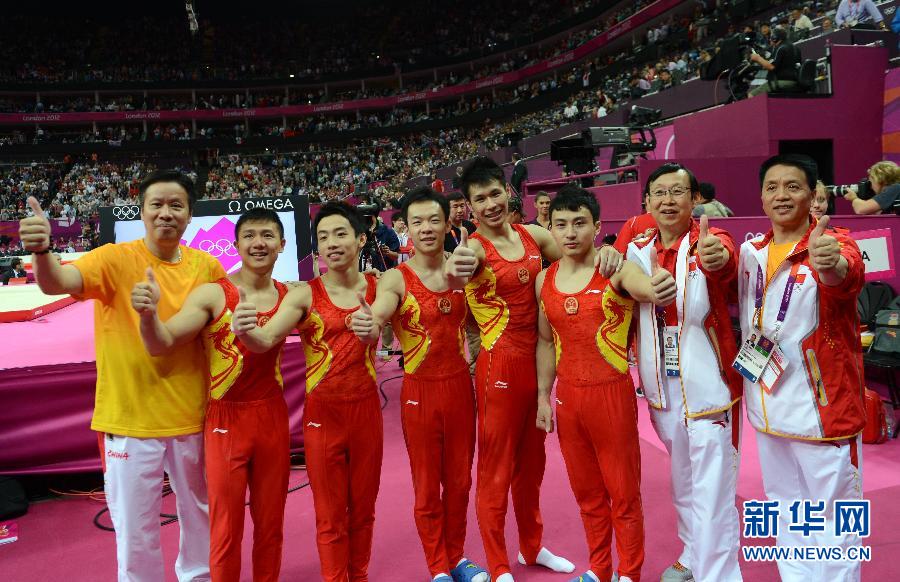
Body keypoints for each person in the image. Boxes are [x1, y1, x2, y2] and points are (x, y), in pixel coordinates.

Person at [18, 170, 223, 581]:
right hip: (129, 419)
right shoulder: (113, 258)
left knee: (201, 514)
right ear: (142, 211)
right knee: (135, 528)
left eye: (176, 205)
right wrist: (42, 251)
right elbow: (57, 282)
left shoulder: (207, 267)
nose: (166, 213)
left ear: (189, 215)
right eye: (156, 204)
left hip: (192, 416)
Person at [457, 156, 622, 582]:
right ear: (469, 207)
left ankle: (531, 546)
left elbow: (577, 253)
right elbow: (456, 270)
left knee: (532, 466)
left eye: (495, 193)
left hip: (539, 362)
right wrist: (456, 269)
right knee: (497, 468)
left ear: (508, 192)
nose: (490, 204)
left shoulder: (534, 235)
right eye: (480, 199)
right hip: (499, 368)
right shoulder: (473, 250)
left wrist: (608, 251)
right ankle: (498, 564)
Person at [131, 208, 290, 582]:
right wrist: (149, 317)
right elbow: (163, 342)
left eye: (267, 235)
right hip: (226, 422)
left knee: (271, 522)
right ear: (236, 245)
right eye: (249, 235)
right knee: (225, 525)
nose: (258, 243)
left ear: (282, 245)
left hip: (272, 418)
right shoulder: (213, 295)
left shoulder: (292, 296)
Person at [535, 185, 677, 582]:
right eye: (561, 224)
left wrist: (658, 286)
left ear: (597, 227)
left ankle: (628, 572)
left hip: (610, 396)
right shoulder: (543, 279)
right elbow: (545, 340)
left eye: (580, 223)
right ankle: (599, 568)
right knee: (587, 494)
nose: (570, 233)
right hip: (568, 400)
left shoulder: (615, 269)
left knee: (623, 493)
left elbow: (646, 287)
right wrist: (543, 396)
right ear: (550, 228)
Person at [236, 202, 382, 582]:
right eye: (323, 237)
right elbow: (265, 340)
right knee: (330, 515)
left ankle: (359, 577)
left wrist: (375, 331)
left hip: (366, 413)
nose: (331, 243)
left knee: (363, 510)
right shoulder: (303, 296)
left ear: (360, 239)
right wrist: (245, 330)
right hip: (323, 418)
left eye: (340, 234)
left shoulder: (379, 286)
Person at [350, 187, 488, 582]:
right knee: (427, 485)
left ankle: (457, 557)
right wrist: (370, 325)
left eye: (433, 220)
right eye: (417, 222)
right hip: (420, 394)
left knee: (460, 482)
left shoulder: (464, 266)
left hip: (460, 388)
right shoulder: (397, 278)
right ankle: (437, 566)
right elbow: (379, 314)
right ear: (406, 229)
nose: (426, 228)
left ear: (447, 224)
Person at [739, 154, 866, 581]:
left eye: (793, 186)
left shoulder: (835, 243)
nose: (781, 195)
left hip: (824, 414)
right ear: (761, 196)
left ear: (812, 195)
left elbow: (845, 276)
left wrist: (831, 264)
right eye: (772, 187)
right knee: (785, 510)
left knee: (837, 523)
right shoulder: (751, 253)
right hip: (768, 409)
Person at [627, 163, 744, 582]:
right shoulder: (637, 249)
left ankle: (720, 574)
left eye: (677, 192)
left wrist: (718, 258)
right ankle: (693, 553)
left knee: (714, 486)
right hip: (662, 385)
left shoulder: (710, 239)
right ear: (647, 202)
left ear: (695, 199)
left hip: (708, 383)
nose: (668, 200)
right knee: (683, 480)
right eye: (659, 192)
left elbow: (724, 261)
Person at [749, 27, 801, 96]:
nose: (770, 39)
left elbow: (771, 66)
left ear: (775, 38)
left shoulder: (780, 48)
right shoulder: (794, 47)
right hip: (795, 79)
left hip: (783, 81)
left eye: (772, 37)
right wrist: (761, 61)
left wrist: (757, 58)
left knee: (751, 94)